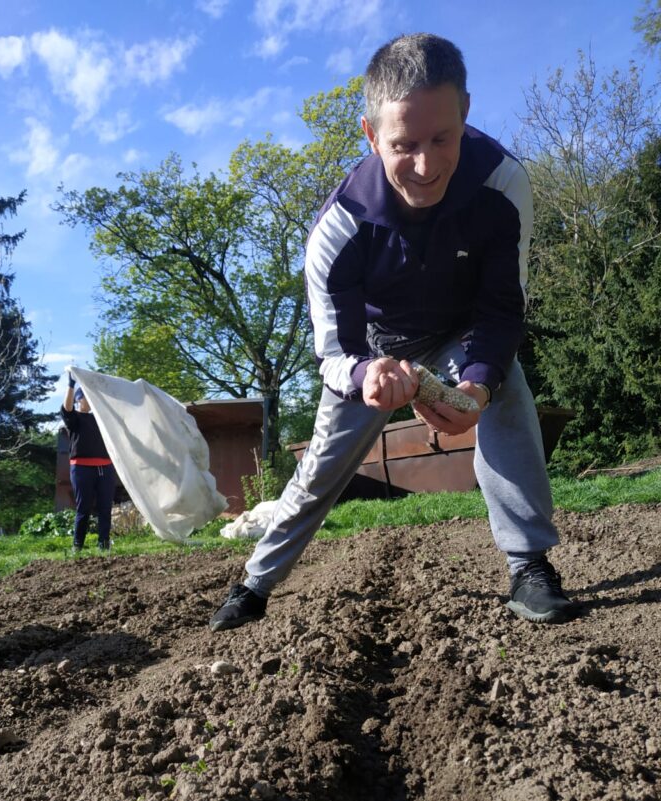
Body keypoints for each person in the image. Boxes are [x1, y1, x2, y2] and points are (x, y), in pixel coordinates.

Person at [210, 32, 576, 632]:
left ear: (466, 112)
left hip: (460, 332)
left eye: (442, 138)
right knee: (321, 467)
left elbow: (502, 309)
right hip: (376, 352)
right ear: (371, 134)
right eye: (404, 145)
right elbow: (333, 351)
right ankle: (254, 584)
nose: (426, 167)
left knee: (507, 388)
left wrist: (478, 384)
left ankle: (529, 566)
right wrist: (364, 374)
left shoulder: (503, 184)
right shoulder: (338, 228)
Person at [61, 373, 116, 554]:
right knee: (83, 508)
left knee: (105, 507)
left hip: (105, 467)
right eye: (86, 396)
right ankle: (77, 546)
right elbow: (67, 408)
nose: (90, 400)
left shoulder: (101, 419)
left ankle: (104, 544)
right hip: (82, 468)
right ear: (78, 400)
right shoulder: (74, 418)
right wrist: (71, 385)